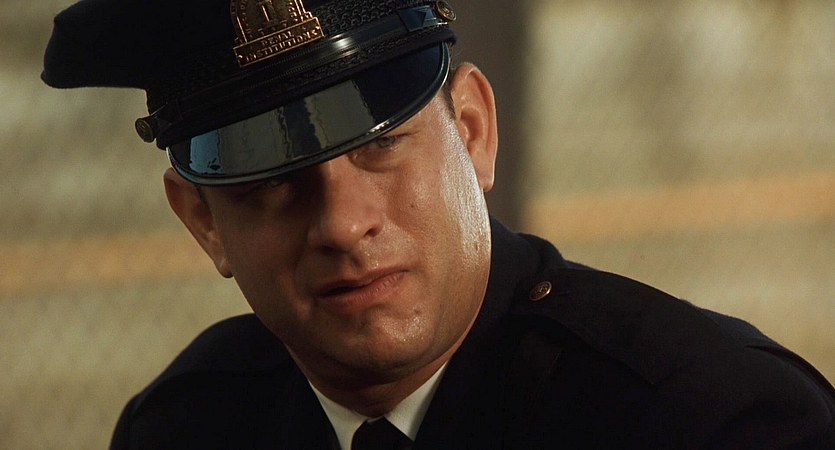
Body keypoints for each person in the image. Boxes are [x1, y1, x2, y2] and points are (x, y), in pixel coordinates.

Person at [43, 0, 834, 448]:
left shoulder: (706, 420)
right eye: (274, 183)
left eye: (380, 145)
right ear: (202, 222)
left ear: (474, 132)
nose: (343, 225)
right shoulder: (187, 430)